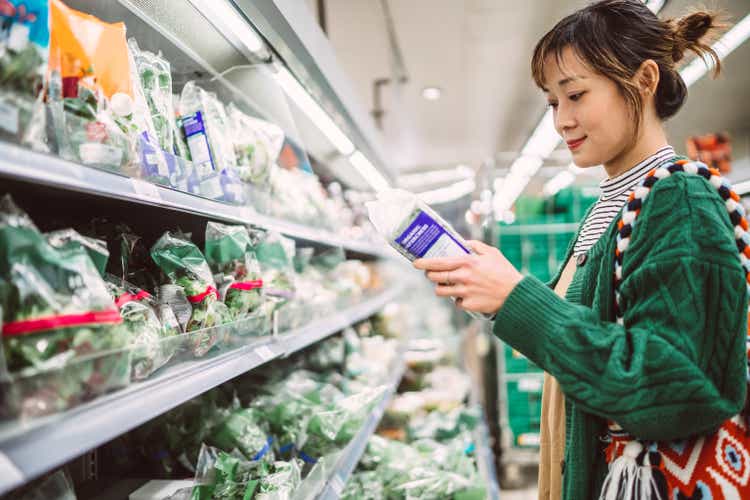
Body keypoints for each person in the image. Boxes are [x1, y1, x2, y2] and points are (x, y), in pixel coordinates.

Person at [413, 1, 747, 498]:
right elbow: (584, 338)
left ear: (645, 80)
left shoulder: (679, 198)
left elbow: (677, 388)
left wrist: (516, 297)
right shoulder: (610, 207)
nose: (562, 120)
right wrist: (492, 289)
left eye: (575, 95)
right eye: (552, 102)